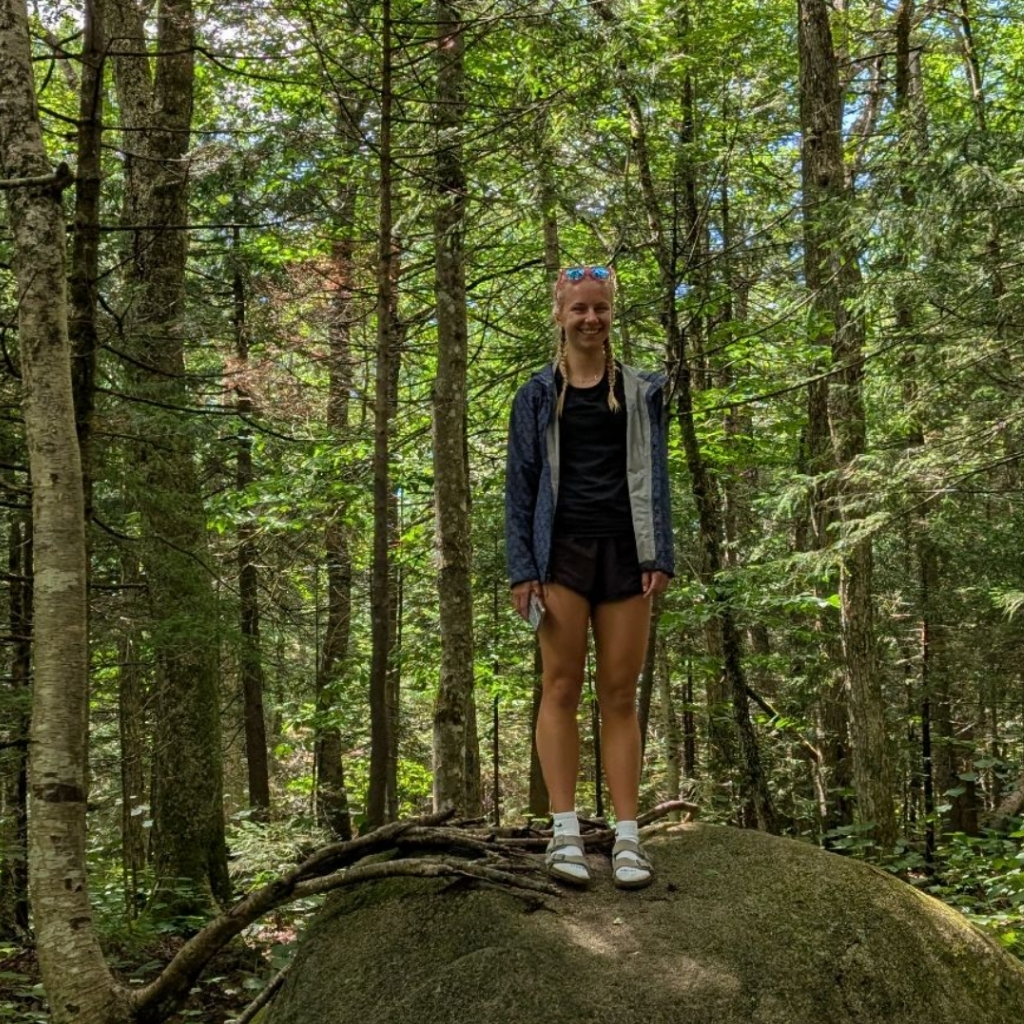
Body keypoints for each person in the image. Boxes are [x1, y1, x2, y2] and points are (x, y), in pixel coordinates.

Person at [505, 264, 674, 889]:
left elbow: (657, 475)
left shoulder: (641, 391)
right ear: (560, 314)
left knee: (620, 693)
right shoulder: (536, 395)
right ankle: (565, 833)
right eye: (579, 308)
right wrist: (522, 569)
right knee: (559, 687)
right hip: (560, 554)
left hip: (628, 553)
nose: (590, 319)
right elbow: (520, 485)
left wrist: (660, 554)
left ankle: (628, 840)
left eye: (600, 308)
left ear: (611, 314)